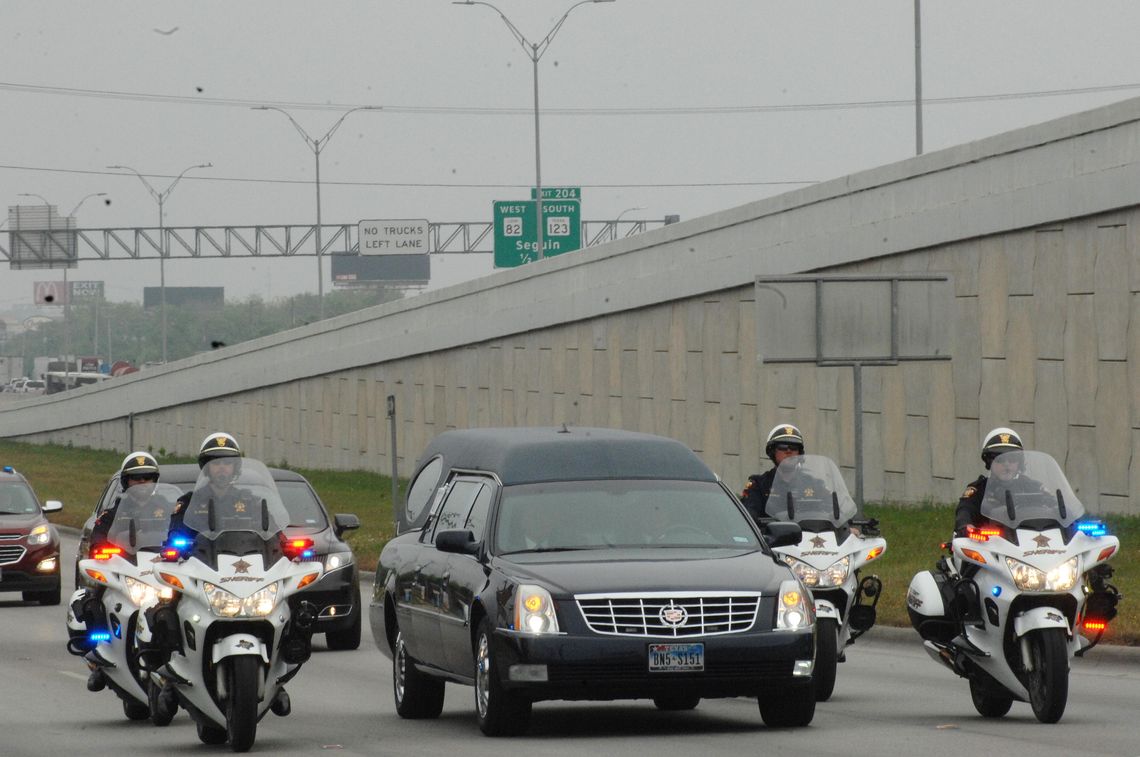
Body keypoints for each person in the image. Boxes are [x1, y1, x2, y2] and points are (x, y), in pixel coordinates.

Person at [168, 432, 254, 541]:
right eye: (216, 463)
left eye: (227, 463)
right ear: (206, 467)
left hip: (240, 557)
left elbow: (270, 533)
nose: (222, 467)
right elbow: (175, 535)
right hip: (199, 557)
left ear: (235, 467)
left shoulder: (249, 501)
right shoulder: (189, 502)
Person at [953, 426, 1031, 537]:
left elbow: (1054, 506)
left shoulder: (1032, 487)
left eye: (1012, 459)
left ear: (1020, 462)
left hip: (1027, 545)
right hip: (987, 545)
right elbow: (965, 510)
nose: (1007, 464)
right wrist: (966, 525)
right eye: (1000, 459)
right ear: (989, 461)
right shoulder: (979, 489)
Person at [740, 424, 805, 521]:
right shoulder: (758, 485)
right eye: (783, 447)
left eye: (794, 447)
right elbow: (749, 515)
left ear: (799, 453)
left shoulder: (815, 484)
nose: (788, 451)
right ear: (772, 451)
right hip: (771, 536)